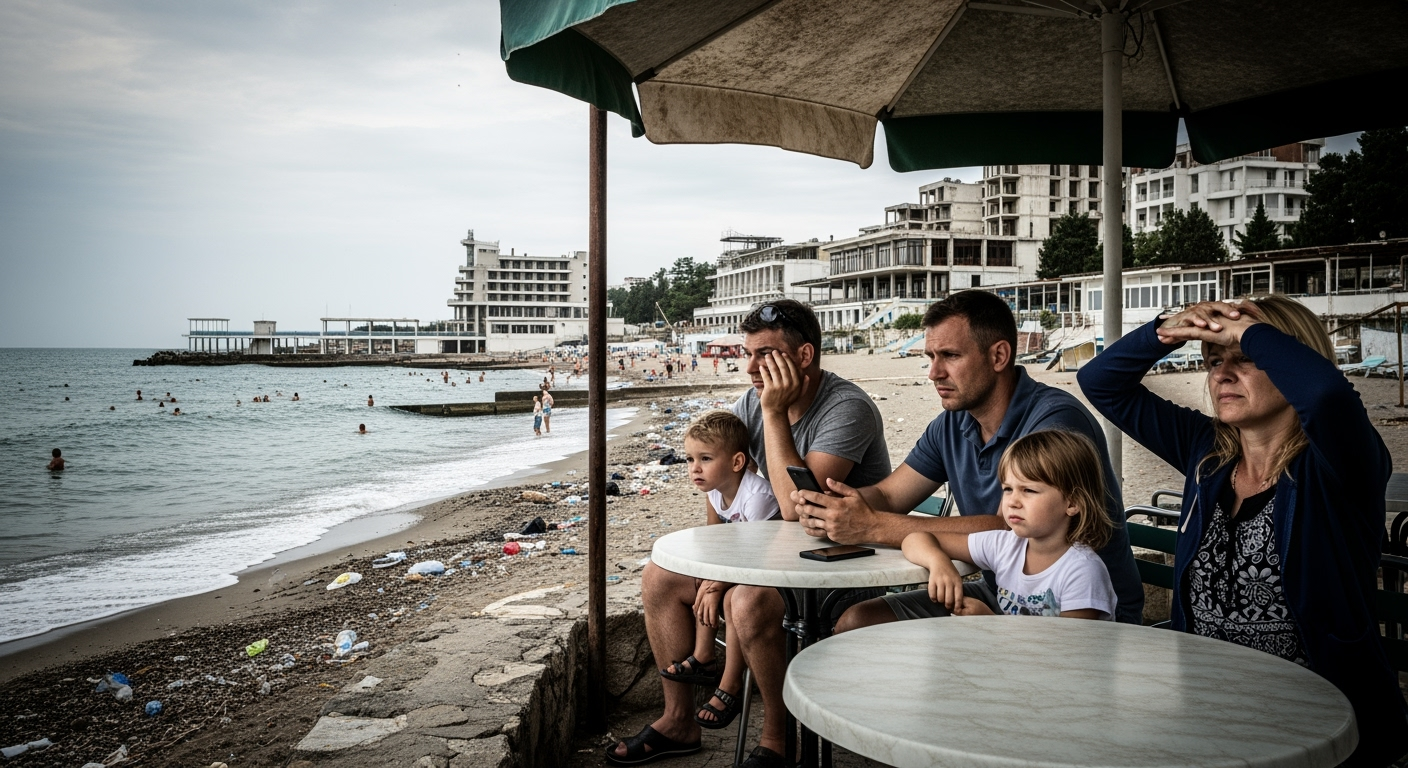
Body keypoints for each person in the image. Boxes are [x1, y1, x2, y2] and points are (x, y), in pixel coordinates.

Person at [1077, 295, 1408, 766]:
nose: (1222, 374)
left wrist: (1248, 330)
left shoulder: (1337, 467)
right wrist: (1166, 330)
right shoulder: (1205, 453)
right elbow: (1101, 382)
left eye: (1246, 359)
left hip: (1325, 729)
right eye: (1214, 360)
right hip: (1212, 718)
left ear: (1290, 360)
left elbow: (1326, 396)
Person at [615, 300, 889, 768]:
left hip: (842, 569)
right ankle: (679, 720)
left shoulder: (847, 408)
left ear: (803, 356)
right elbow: (724, 478)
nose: (750, 368)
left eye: (764, 354)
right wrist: (711, 569)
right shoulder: (750, 403)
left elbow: (793, 509)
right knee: (660, 578)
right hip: (774, 561)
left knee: (746, 600)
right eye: (748, 353)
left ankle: (777, 741)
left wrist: (774, 412)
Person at [794, 290, 1143, 629]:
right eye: (930, 357)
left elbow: (1007, 528)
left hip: (1083, 615)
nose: (934, 372)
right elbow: (889, 496)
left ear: (999, 356)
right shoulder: (954, 422)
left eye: (950, 355)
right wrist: (836, 508)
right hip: (1004, 595)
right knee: (858, 622)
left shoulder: (1055, 421)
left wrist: (872, 526)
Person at [614, 410, 783, 768]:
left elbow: (761, 554)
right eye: (690, 459)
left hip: (769, 570)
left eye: (705, 459)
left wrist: (717, 582)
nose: (695, 468)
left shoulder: (755, 496)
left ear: (737, 462)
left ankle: (728, 681)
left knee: (735, 598)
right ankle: (702, 659)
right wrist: (711, 580)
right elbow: (713, 544)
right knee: (688, 580)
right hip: (740, 564)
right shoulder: (716, 492)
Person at [904, 429, 1116, 620]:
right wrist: (939, 563)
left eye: (1029, 490)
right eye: (1007, 489)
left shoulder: (1082, 571)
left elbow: (1068, 652)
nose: (1012, 501)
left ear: (1072, 503)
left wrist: (991, 624)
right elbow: (915, 538)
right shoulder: (1005, 545)